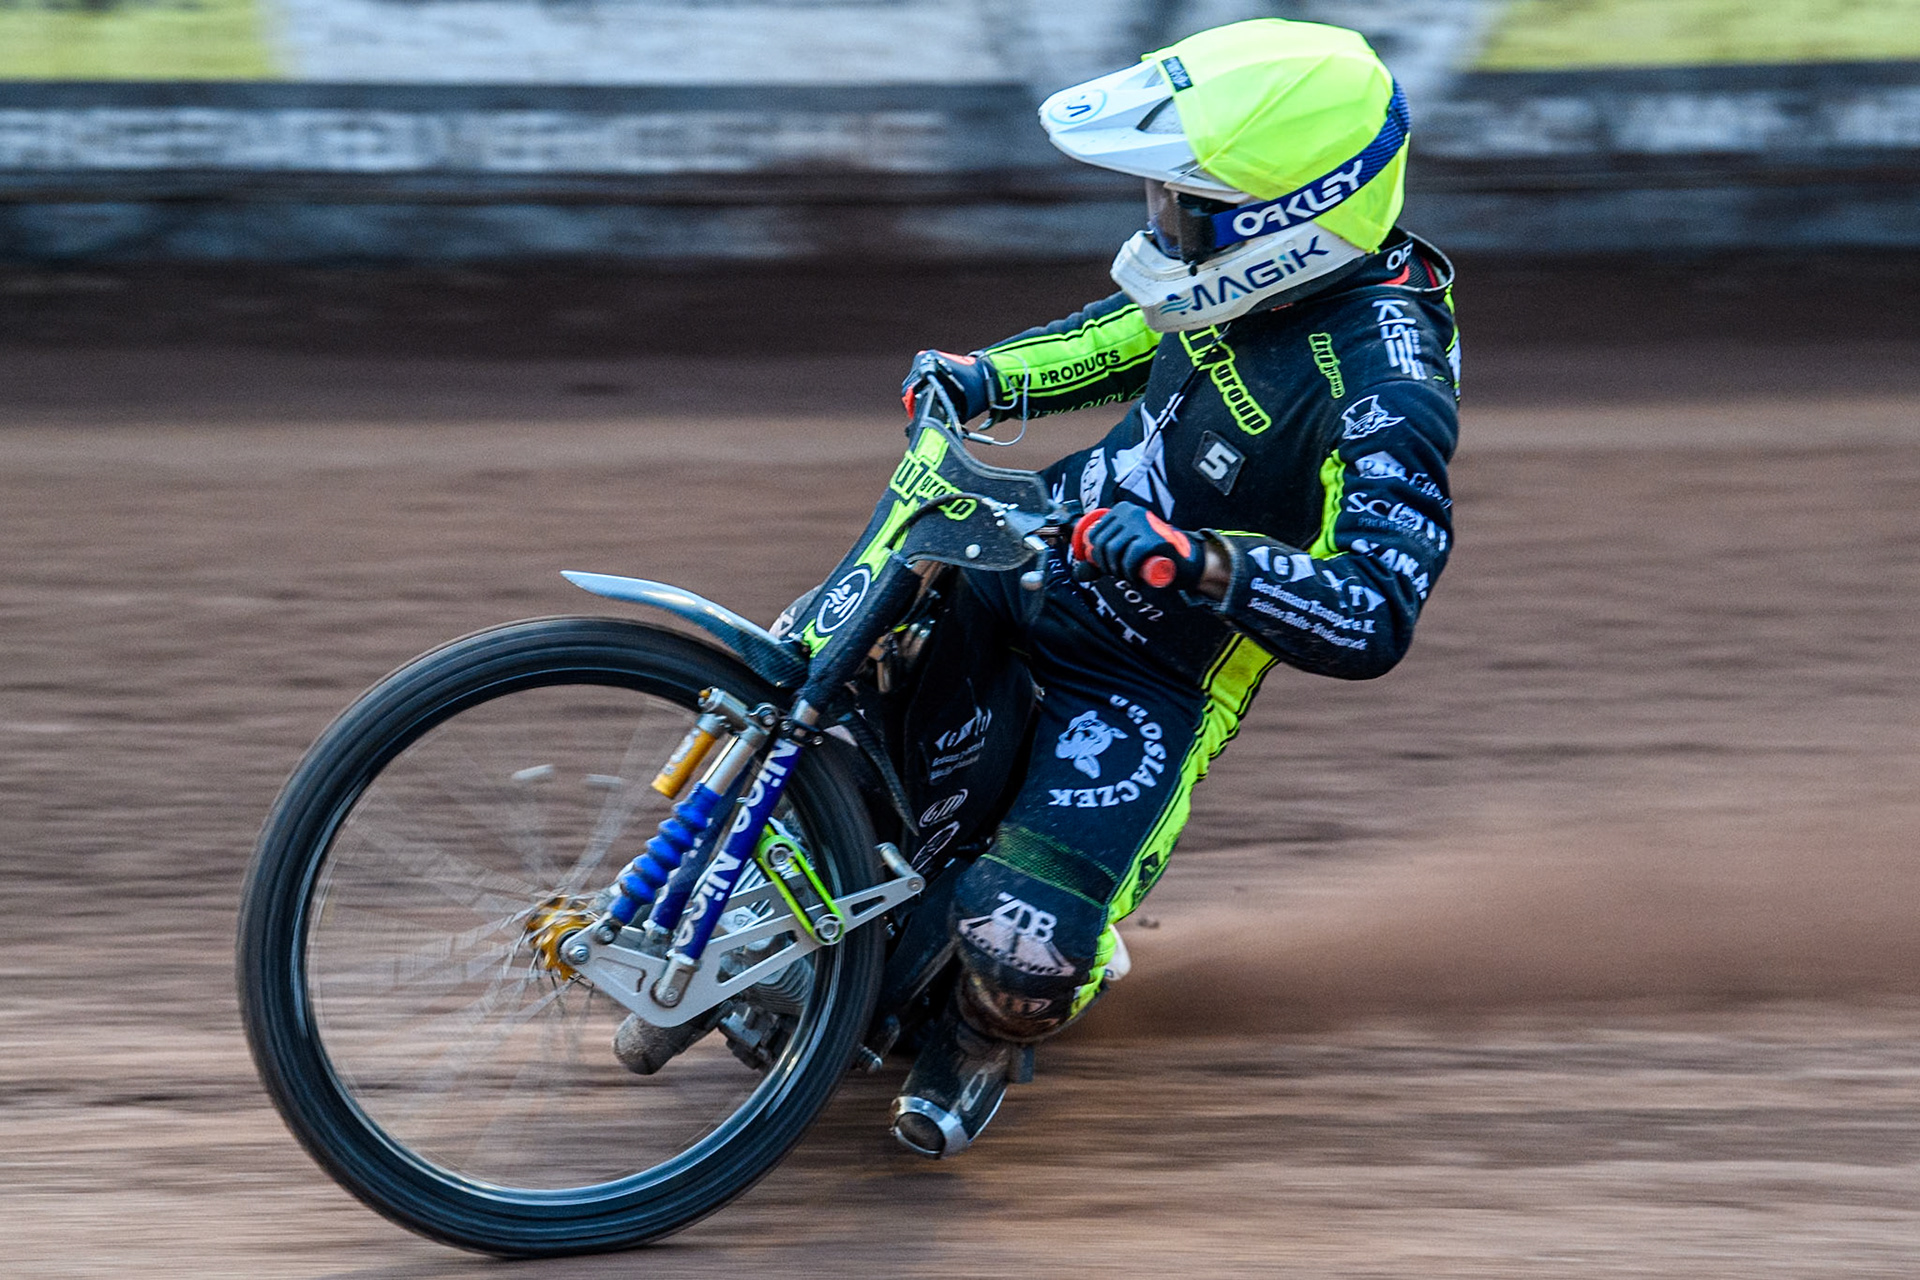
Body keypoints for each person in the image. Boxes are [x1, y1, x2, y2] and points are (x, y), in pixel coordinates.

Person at [820, 17, 1460, 1158]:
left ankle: (973, 1041)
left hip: (1148, 679)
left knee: (1025, 948)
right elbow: (1134, 327)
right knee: (817, 685)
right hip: (1030, 547)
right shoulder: (1227, 280)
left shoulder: (1386, 386)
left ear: (1285, 224)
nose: (1159, 222)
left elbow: (1373, 607)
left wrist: (1195, 559)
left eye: (1186, 204)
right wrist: (985, 377)